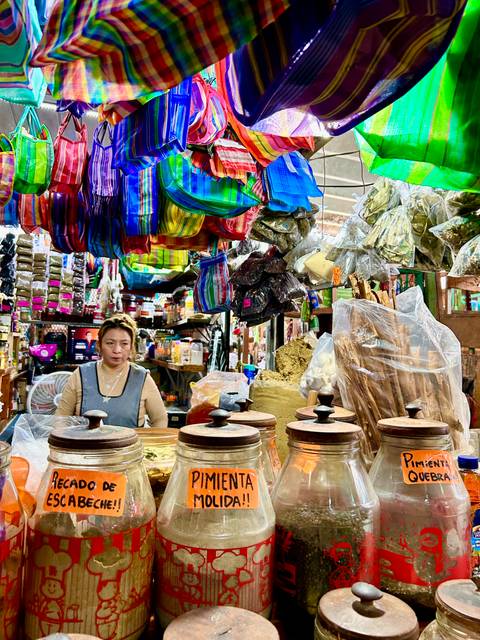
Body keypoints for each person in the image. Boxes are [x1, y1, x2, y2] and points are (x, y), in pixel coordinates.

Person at [56, 314, 168, 428]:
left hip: (128, 446)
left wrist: (149, 444)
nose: (117, 350)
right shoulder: (81, 374)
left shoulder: (142, 378)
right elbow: (60, 419)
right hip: (86, 445)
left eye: (124, 344)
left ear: (131, 347)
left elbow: (160, 419)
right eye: (110, 343)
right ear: (99, 345)